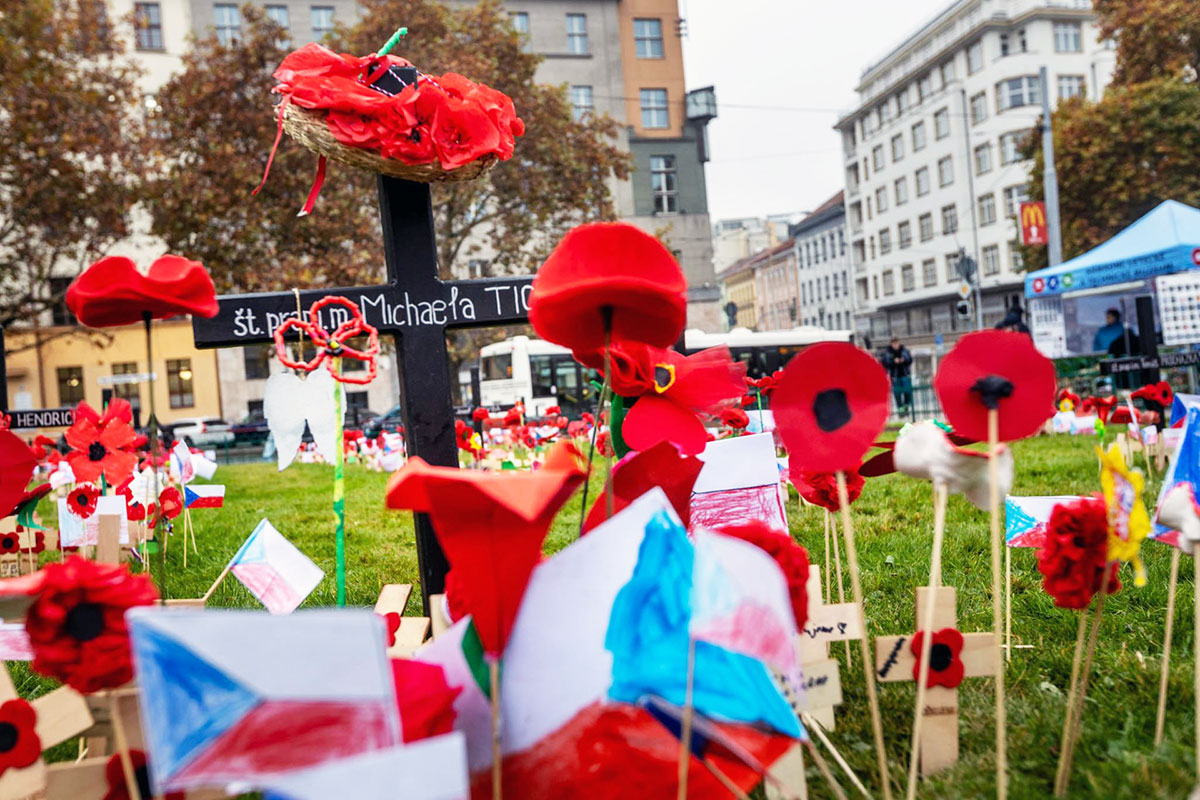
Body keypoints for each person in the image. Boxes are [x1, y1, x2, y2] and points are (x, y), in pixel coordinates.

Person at [881, 337, 913, 414]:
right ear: (891, 344)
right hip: (895, 377)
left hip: (905, 374)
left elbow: (910, 359)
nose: (895, 345)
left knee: (907, 392)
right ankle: (901, 411)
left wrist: (904, 360)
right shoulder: (888, 352)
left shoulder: (904, 350)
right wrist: (893, 362)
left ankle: (906, 407)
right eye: (894, 343)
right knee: (897, 394)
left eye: (896, 343)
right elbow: (885, 363)